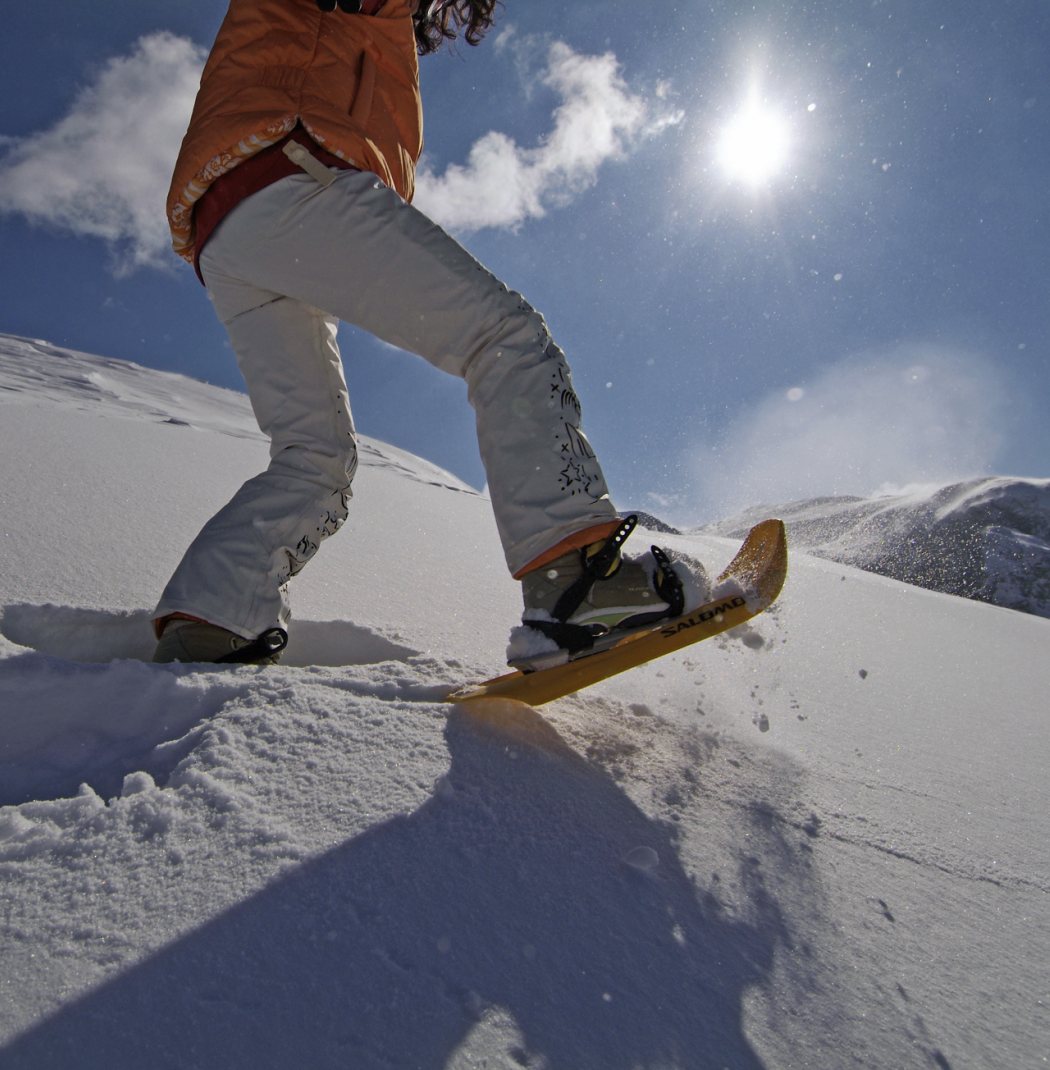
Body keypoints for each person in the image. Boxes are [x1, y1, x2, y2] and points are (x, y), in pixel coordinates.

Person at [152, 0, 694, 666]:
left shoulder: (381, 27)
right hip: (290, 171)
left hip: (227, 223)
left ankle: (212, 615)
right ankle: (577, 582)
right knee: (505, 338)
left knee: (314, 455)